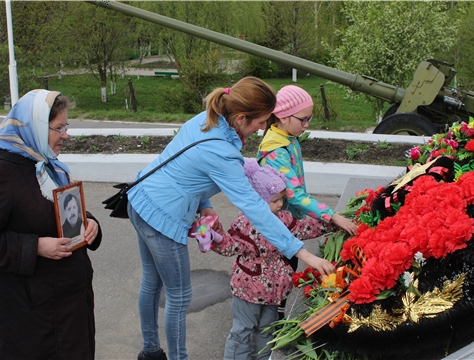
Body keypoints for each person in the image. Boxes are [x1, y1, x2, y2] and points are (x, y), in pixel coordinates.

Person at [127, 76, 335, 360]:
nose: (263, 128)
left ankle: (150, 350)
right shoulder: (224, 152)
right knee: (179, 297)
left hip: (140, 200)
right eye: (261, 122)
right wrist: (304, 255)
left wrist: (204, 203)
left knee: (151, 283)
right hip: (163, 217)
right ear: (240, 117)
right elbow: (255, 208)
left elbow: (184, 167)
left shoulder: (207, 119)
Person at [0, 89, 103, 360]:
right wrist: (35, 246)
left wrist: (89, 223)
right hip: (33, 319)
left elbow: (55, 211)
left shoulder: (46, 164)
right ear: (35, 127)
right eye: (59, 128)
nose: (66, 135)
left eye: (66, 126)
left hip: (67, 308)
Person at [204, 159, 334, 360]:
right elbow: (232, 246)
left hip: (274, 291)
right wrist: (216, 236)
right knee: (242, 331)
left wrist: (331, 221)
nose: (281, 204)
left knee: (267, 330)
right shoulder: (245, 224)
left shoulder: (283, 219)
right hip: (248, 289)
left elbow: (303, 228)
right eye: (275, 200)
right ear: (257, 200)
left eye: (281, 198)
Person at [257, 85, 357, 320]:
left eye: (309, 118)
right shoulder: (275, 150)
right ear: (282, 116)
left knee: (287, 264)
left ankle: (274, 308)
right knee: (281, 266)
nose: (307, 124)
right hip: (278, 219)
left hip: (288, 217)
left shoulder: (286, 136)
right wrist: (333, 215)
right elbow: (294, 195)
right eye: (303, 119)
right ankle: (271, 315)